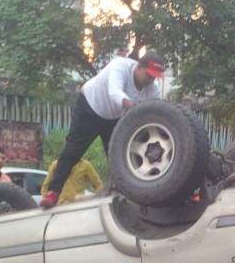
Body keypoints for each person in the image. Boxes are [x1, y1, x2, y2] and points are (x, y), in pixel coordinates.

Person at [41, 51, 165, 207]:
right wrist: (134, 108)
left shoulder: (152, 88)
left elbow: (158, 109)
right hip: (89, 108)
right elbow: (114, 93)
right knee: (72, 152)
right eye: (149, 75)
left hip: (113, 118)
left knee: (119, 158)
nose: (151, 80)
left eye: (155, 77)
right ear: (139, 66)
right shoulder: (120, 66)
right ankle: (53, 193)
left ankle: (124, 195)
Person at [39, 158, 103, 207]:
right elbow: (45, 185)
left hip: (76, 207)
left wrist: (96, 201)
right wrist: (48, 200)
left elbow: (98, 185)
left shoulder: (85, 165)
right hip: (58, 207)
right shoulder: (56, 164)